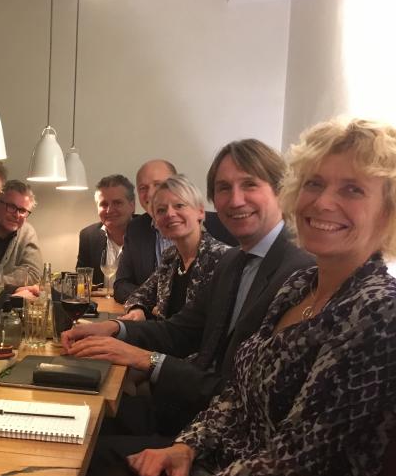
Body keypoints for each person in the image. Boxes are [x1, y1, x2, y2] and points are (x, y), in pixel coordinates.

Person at [59, 117, 396, 476]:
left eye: (352, 189)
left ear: (388, 210)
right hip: (225, 475)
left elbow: (297, 469)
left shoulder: (378, 311)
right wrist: (187, 448)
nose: (322, 202)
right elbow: (237, 393)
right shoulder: (301, 285)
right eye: (314, 183)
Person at [63, 139, 313, 435]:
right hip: (189, 410)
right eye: (223, 188)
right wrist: (114, 329)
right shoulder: (234, 260)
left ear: (282, 190)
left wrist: (143, 359)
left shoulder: (301, 272)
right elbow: (180, 330)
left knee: (85, 431)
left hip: (217, 432)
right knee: (74, 414)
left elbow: (245, 394)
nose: (235, 200)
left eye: (250, 185)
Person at [113, 159, 236, 303]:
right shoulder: (170, 257)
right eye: (161, 210)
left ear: (200, 211)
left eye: (179, 206)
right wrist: (140, 307)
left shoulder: (222, 251)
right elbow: (132, 290)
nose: (170, 214)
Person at [76, 174, 136, 287]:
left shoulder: (148, 232)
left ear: (132, 205)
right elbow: (82, 283)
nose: (109, 210)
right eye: (104, 204)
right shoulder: (88, 236)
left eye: (117, 203)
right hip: (101, 299)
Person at [0, 179, 43, 285]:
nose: (16, 215)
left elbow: (34, 274)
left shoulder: (27, 232)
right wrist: (17, 275)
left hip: (7, 296)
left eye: (22, 211)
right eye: (11, 207)